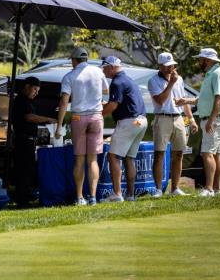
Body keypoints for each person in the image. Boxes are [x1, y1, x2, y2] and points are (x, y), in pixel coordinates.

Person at [55, 47, 108, 206]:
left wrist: (59, 126)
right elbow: (106, 90)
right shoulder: (98, 72)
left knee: (79, 159)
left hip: (79, 117)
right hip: (96, 117)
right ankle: (92, 197)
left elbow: (64, 101)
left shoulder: (69, 76)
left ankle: (79, 197)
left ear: (74, 60)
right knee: (92, 159)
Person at [175, 48, 220, 197]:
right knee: (216, 154)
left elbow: (219, 99)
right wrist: (186, 100)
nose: (199, 62)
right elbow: (205, 98)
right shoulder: (211, 73)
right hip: (215, 119)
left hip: (215, 120)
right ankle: (217, 190)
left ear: (207, 60)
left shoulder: (217, 74)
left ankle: (209, 189)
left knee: (207, 154)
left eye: (200, 59)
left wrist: (211, 120)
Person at [148, 52, 198, 197]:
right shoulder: (153, 81)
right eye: (169, 66)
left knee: (179, 153)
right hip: (162, 118)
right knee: (160, 154)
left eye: (173, 65)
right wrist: (171, 83)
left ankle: (175, 188)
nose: (172, 68)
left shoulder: (179, 79)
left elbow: (183, 101)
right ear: (161, 66)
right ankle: (158, 189)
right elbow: (160, 101)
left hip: (178, 118)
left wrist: (192, 119)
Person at [101, 56, 148, 202]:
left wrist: (97, 114)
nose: (103, 71)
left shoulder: (117, 81)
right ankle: (130, 195)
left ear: (112, 67)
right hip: (141, 121)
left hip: (129, 122)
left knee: (113, 156)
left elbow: (113, 106)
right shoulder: (127, 79)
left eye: (105, 67)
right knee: (129, 158)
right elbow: (118, 103)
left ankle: (117, 194)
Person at [12, 76, 57, 208]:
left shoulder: (29, 101)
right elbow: (29, 117)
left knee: (28, 170)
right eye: (35, 89)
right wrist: (48, 119)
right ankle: (22, 200)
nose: (36, 93)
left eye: (38, 90)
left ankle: (25, 196)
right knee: (23, 170)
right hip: (23, 140)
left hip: (29, 140)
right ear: (27, 87)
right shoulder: (21, 100)